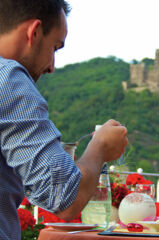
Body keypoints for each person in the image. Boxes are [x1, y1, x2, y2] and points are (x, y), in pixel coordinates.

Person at [0, 1, 128, 239]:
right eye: (55, 47)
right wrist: (99, 148)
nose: (51, 67)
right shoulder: (8, 79)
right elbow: (64, 199)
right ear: (34, 32)